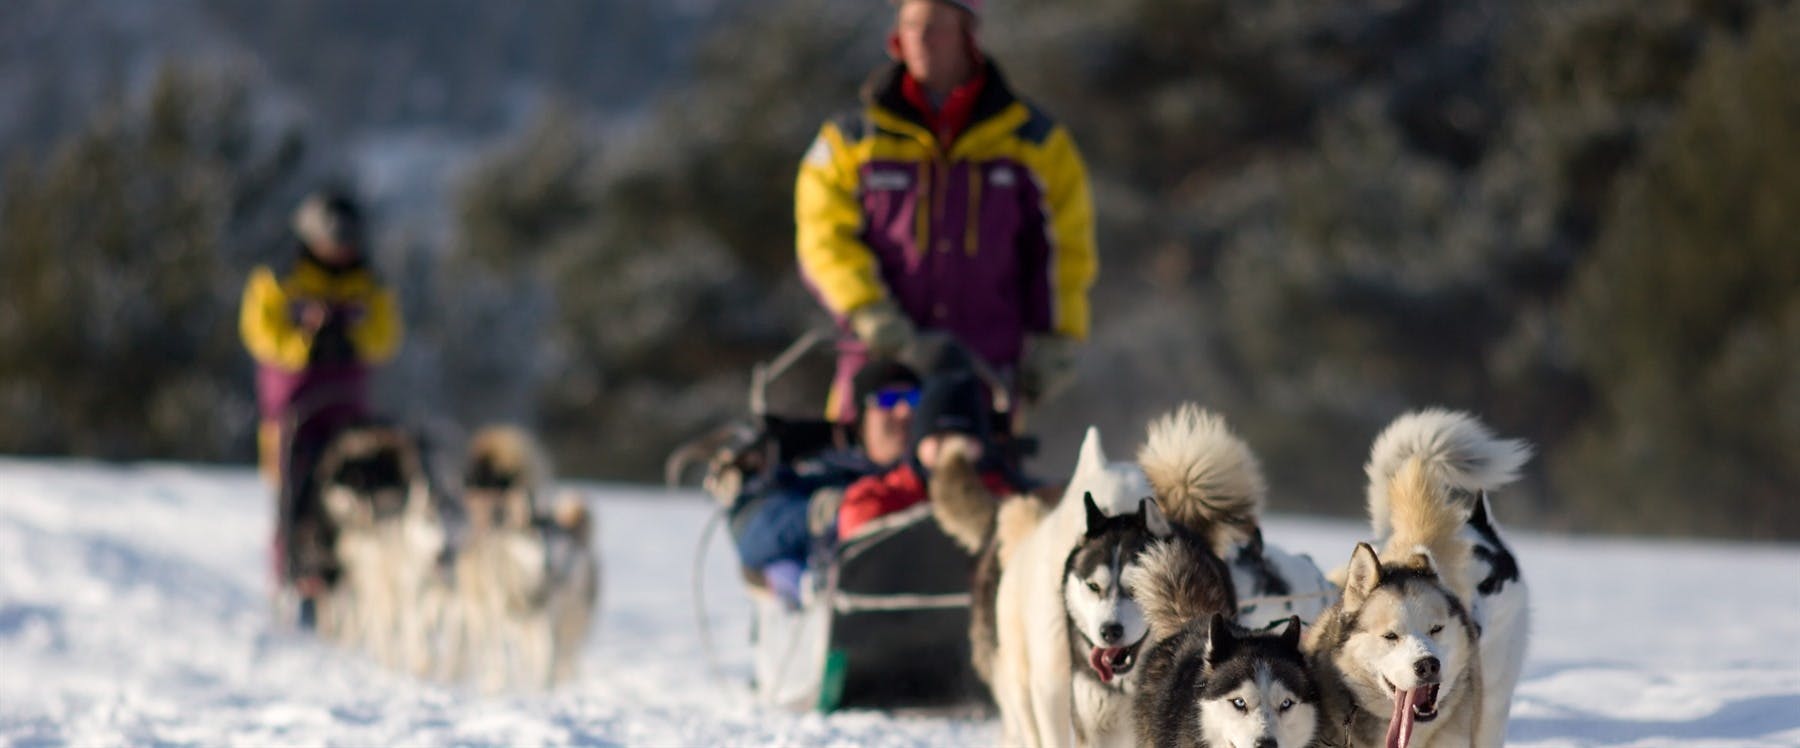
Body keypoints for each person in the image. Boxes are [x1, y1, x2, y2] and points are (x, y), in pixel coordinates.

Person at [795, 0, 1099, 424]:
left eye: (935, 25)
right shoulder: (849, 140)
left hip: (984, 378)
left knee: (975, 468)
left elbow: (1066, 249)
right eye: (909, 23)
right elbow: (822, 237)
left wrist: (1058, 339)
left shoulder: (1035, 142)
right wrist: (868, 311)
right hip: (881, 376)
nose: (920, 38)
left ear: (967, 33)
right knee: (863, 469)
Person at [240, 190, 402, 598]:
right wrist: (305, 341)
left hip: (348, 406)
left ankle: (352, 577)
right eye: (333, 241)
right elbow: (259, 331)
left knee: (358, 482)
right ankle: (293, 574)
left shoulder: (369, 282)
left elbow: (386, 335)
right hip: (293, 407)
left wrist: (351, 338)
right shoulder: (280, 276)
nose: (341, 251)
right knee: (295, 487)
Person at [728, 359, 921, 606]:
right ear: (862, 414)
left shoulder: (936, 472)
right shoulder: (822, 468)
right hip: (848, 603)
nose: (904, 411)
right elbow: (752, 534)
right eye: (888, 399)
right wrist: (817, 513)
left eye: (914, 399)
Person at [836, 372, 1021, 542]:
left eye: (962, 441)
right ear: (918, 445)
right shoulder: (878, 497)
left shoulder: (1005, 495)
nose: (950, 449)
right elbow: (861, 543)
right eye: (939, 439)